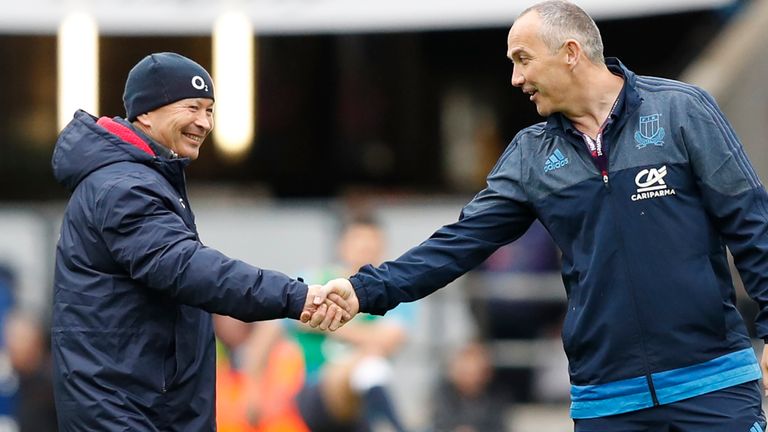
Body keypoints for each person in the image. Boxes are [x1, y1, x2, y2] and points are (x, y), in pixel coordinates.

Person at [311, 1, 768, 430]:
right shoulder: (531, 157)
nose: (515, 78)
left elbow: (751, 221)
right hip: (608, 399)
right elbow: (457, 243)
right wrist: (364, 290)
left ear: (570, 53)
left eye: (523, 59)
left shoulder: (682, 111)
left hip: (714, 383)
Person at [51, 52, 351, 431]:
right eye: (192, 107)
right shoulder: (123, 187)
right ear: (146, 113)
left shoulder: (141, 179)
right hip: (126, 413)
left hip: (143, 407)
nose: (204, 122)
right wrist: (296, 295)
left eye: (209, 110)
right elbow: (188, 268)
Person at [431, 341, 506, 432]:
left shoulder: (497, 395)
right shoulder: (444, 392)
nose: (471, 378)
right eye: (466, 373)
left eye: (475, 373)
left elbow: (498, 425)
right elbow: (441, 422)